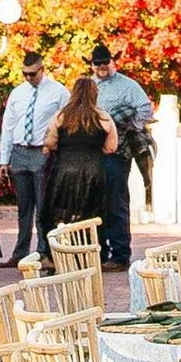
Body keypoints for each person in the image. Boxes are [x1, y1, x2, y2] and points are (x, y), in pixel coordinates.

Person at [88, 38, 155, 272]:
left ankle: (120, 253)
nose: (101, 67)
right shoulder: (89, 86)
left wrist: (128, 126)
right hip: (93, 151)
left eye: (104, 63)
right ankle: (100, 251)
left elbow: (146, 109)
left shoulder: (127, 85)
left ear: (112, 62)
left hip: (118, 151)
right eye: (96, 64)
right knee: (96, 204)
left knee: (116, 202)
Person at [38, 69, 117, 261]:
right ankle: (89, 255)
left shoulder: (62, 116)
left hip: (65, 170)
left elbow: (49, 142)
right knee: (92, 215)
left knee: (58, 212)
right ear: (94, 94)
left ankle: (58, 255)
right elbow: (111, 147)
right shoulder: (103, 117)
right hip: (93, 170)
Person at [0, 45, 66, 267]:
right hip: (20, 150)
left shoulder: (58, 91)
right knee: (23, 207)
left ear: (42, 70)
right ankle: (20, 252)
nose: (29, 78)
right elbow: (8, 126)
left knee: (43, 205)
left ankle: (42, 252)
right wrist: (4, 160)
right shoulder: (18, 93)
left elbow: (65, 122)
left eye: (33, 73)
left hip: (43, 151)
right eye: (25, 74)